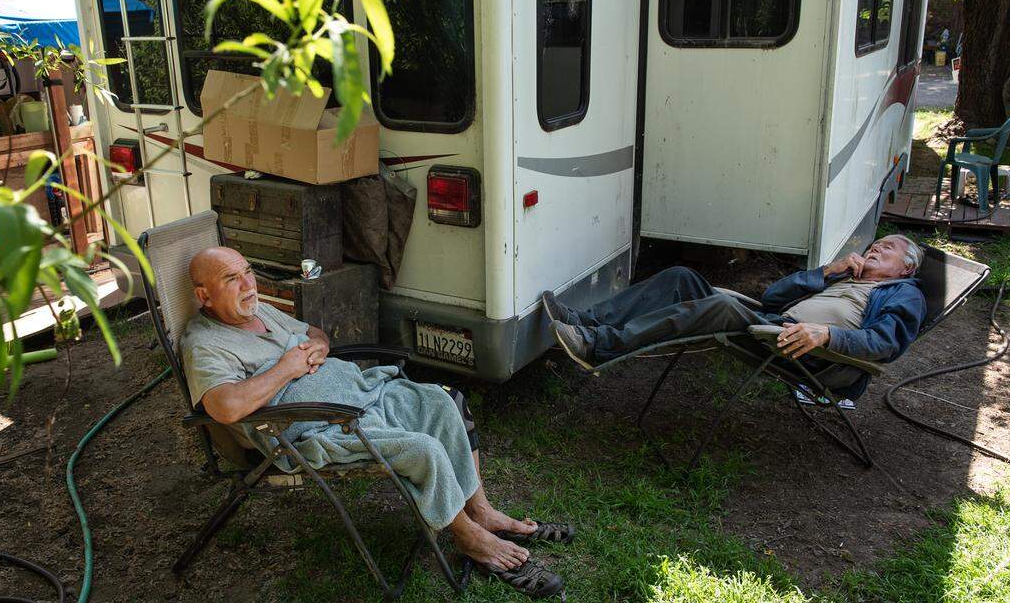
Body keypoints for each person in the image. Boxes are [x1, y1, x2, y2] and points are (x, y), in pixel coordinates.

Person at [181, 247, 571, 599]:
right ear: (204, 296)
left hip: (363, 396)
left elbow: (312, 332)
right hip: (320, 428)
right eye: (231, 279)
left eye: (247, 271)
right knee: (423, 449)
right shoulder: (205, 345)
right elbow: (226, 407)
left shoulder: (258, 310)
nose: (248, 284)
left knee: (443, 400)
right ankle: (471, 539)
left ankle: (481, 511)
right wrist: (286, 367)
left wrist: (318, 345)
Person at [546, 235, 927, 401]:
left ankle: (600, 347)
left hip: (812, 355)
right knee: (682, 277)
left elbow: (886, 344)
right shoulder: (847, 275)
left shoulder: (904, 294)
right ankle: (587, 320)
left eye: (888, 248)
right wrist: (826, 272)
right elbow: (774, 297)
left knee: (723, 307)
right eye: (875, 244)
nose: (876, 248)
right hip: (772, 325)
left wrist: (827, 334)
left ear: (906, 269)